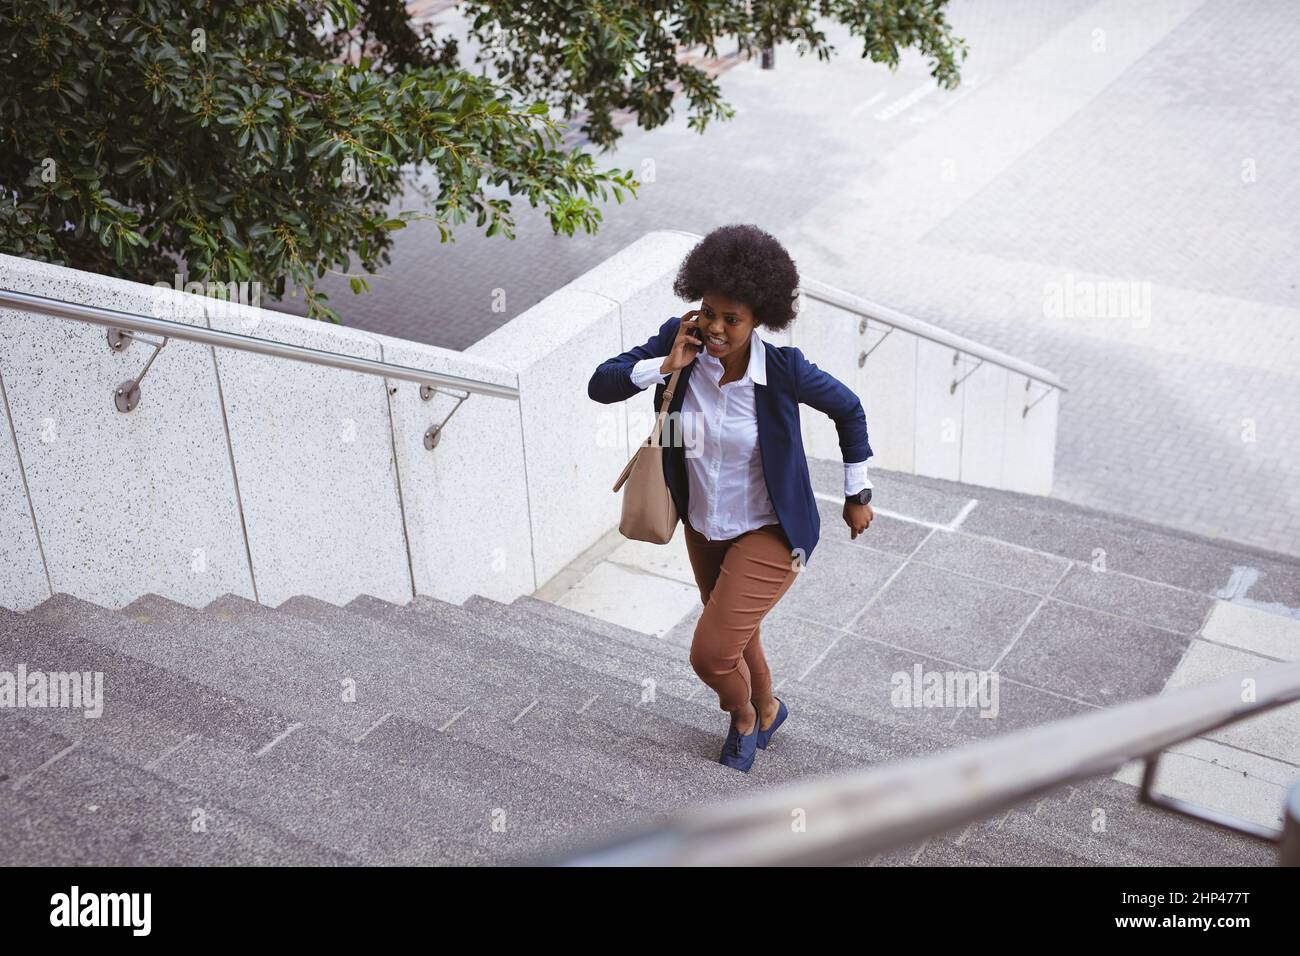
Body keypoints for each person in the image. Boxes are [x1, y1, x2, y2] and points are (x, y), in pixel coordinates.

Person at [587, 224, 875, 772]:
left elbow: (849, 408)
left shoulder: (785, 370)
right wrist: (666, 364)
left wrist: (856, 491)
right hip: (703, 524)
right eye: (709, 311)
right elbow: (602, 383)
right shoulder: (681, 340)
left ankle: (744, 715)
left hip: (772, 530)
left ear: (759, 318)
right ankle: (768, 707)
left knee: (712, 652)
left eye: (732, 319)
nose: (716, 328)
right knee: (738, 635)